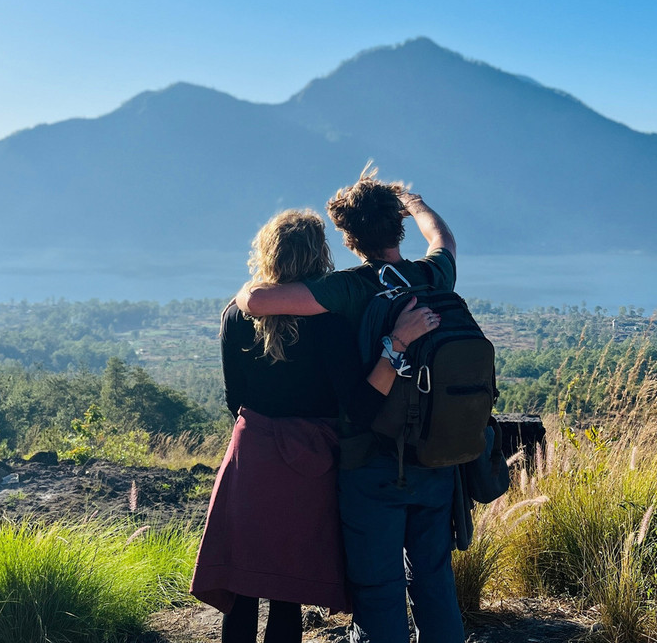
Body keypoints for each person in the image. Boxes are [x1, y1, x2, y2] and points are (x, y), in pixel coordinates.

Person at [235, 167, 463, 643]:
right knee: (435, 582)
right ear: (397, 226)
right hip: (437, 456)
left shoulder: (346, 289)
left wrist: (244, 289)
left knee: (378, 589)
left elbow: (255, 303)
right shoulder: (435, 275)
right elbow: (443, 238)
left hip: (369, 460)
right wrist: (416, 205)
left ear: (348, 236)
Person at [191, 208, 439, 643]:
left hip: (251, 457)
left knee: (242, 588)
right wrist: (397, 345)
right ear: (318, 257)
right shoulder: (329, 324)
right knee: (287, 593)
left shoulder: (236, 314)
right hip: (312, 463)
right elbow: (361, 408)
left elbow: (235, 401)